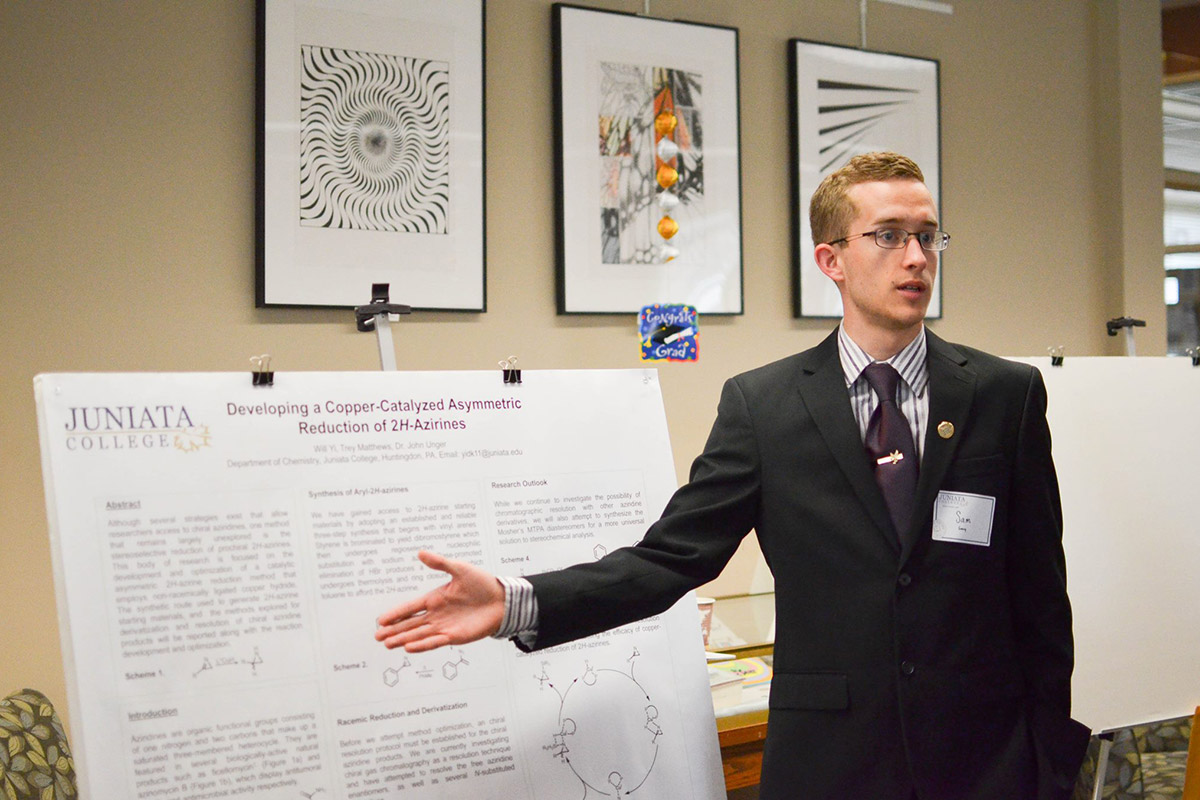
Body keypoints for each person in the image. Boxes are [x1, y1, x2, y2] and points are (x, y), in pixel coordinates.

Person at [375, 152, 1090, 799]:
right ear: (831, 259)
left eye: (928, 235)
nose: (916, 257)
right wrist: (517, 602)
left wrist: (1052, 766)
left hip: (987, 766)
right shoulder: (766, 406)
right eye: (889, 235)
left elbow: (1039, 601)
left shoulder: (1004, 395)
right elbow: (668, 560)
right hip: (831, 764)